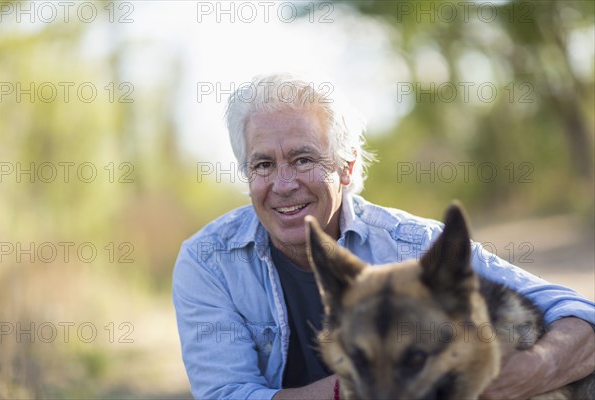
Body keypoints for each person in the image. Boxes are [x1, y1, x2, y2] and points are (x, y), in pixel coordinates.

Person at [173, 73, 595, 400]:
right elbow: (228, 395)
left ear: (347, 166)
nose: (283, 184)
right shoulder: (207, 261)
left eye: (303, 159)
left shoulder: (417, 244)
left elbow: (578, 316)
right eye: (262, 165)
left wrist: (535, 369)